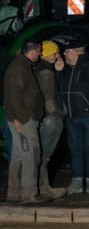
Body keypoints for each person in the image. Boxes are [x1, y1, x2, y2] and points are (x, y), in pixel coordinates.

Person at [54, 40, 89, 195]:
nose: (64, 54)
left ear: (75, 52)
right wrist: (58, 72)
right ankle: (77, 181)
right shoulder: (65, 69)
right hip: (71, 116)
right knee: (75, 149)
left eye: (66, 51)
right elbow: (59, 90)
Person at [3, 41, 49, 204]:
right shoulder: (19, 68)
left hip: (19, 118)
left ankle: (14, 192)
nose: (40, 54)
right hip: (24, 120)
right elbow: (14, 97)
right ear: (33, 51)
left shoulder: (20, 66)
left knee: (18, 155)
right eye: (39, 51)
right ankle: (28, 192)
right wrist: (21, 119)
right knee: (30, 155)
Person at [35, 41, 67, 198]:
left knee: (39, 154)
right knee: (44, 155)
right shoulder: (46, 73)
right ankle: (44, 187)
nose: (58, 56)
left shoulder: (39, 68)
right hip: (49, 119)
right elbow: (49, 99)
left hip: (40, 118)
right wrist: (58, 114)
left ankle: (42, 186)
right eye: (55, 53)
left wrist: (59, 71)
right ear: (47, 54)